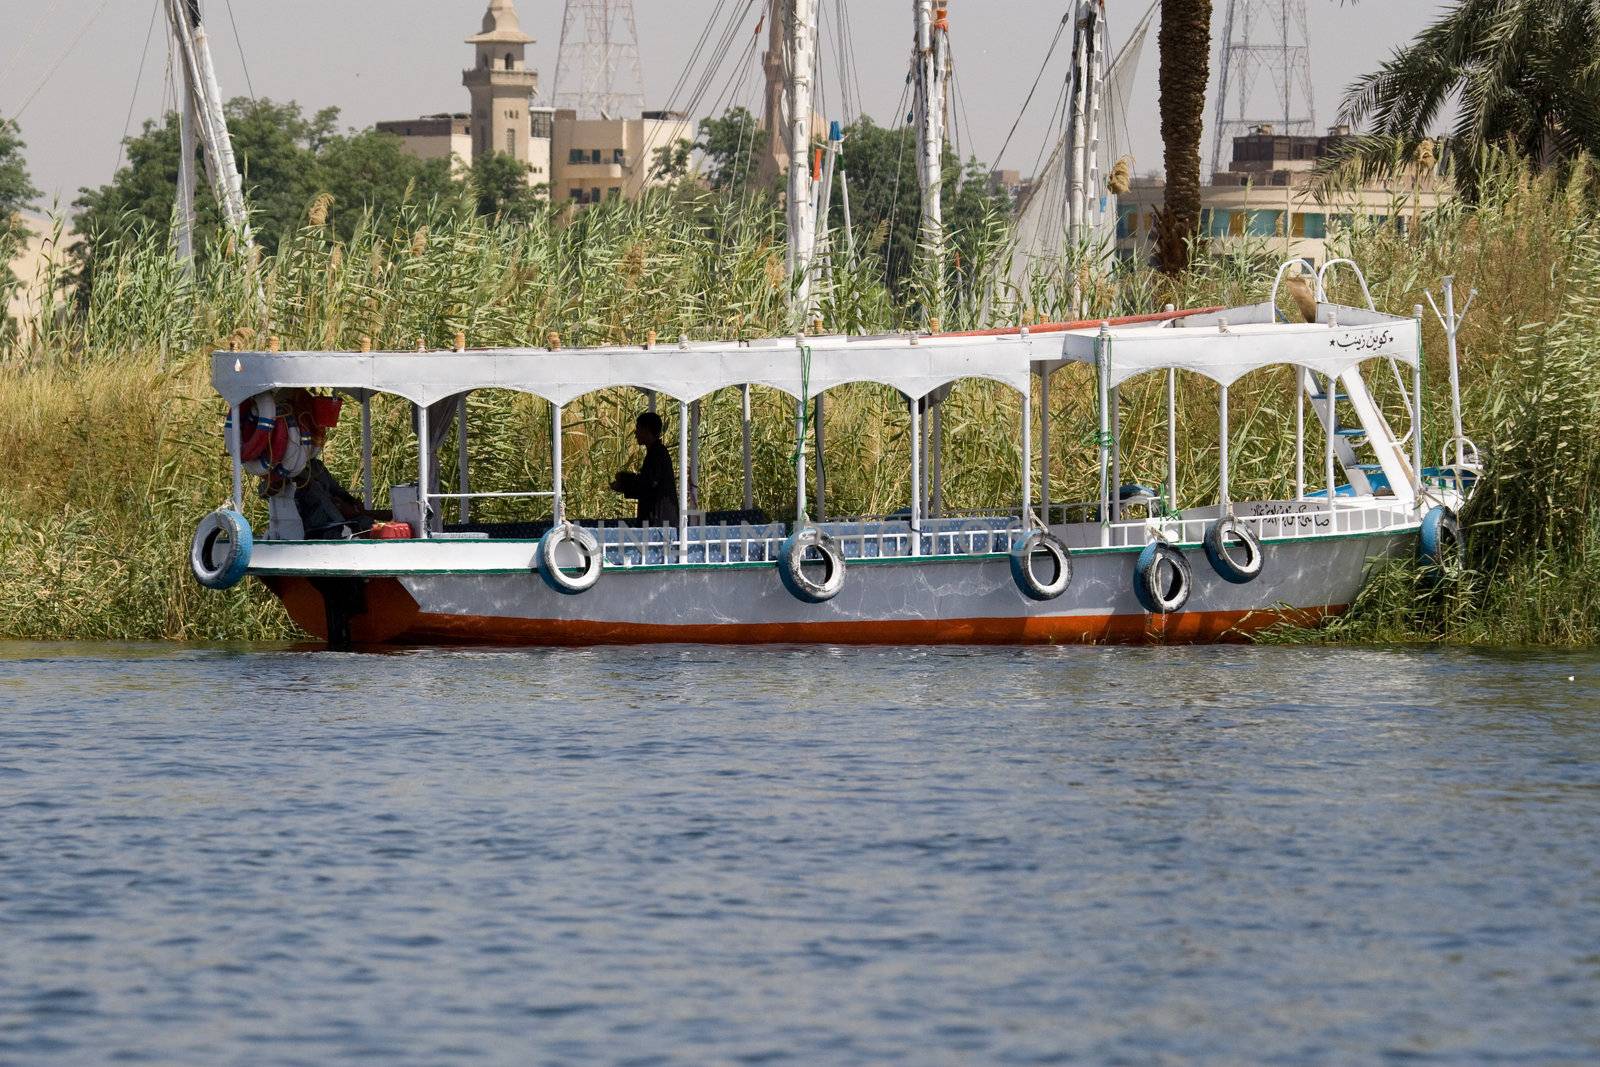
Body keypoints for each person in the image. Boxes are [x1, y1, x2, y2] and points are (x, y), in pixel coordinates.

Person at [610, 411, 680, 525]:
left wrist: (624, 483)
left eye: (638, 428)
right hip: (658, 519)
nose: (635, 433)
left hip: (659, 522)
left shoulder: (657, 453)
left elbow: (649, 484)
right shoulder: (656, 451)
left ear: (646, 430)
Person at [295, 457, 374, 540]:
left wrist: (353, 503)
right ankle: (344, 527)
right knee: (316, 490)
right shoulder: (291, 465)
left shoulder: (317, 465)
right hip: (313, 514)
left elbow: (336, 488)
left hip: (335, 509)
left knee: (367, 521)